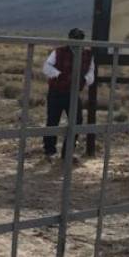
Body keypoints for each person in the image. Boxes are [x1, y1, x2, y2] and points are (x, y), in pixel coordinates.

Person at [42, 28, 95, 160]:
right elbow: (47, 67)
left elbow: (91, 72)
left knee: (76, 121)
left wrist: (83, 80)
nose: (76, 41)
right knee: (52, 121)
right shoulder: (59, 52)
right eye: (74, 38)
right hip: (56, 92)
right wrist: (60, 76)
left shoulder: (87, 55)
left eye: (79, 39)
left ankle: (67, 153)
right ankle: (49, 151)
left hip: (73, 93)